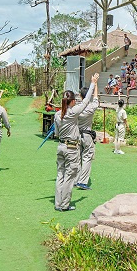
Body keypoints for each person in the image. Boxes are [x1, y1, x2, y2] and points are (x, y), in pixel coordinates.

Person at [53, 73, 99, 211]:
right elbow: (86, 102)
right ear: (72, 101)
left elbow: (55, 133)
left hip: (60, 146)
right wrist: (93, 83)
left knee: (60, 175)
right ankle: (65, 204)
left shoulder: (57, 114)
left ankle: (57, 203)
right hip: (71, 148)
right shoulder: (72, 113)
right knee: (69, 177)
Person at [75, 86, 100, 191]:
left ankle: (75, 180)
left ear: (80, 96)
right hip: (87, 135)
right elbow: (95, 98)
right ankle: (82, 181)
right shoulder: (91, 107)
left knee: (77, 158)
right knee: (87, 158)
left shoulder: (77, 108)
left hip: (76, 135)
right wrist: (95, 84)